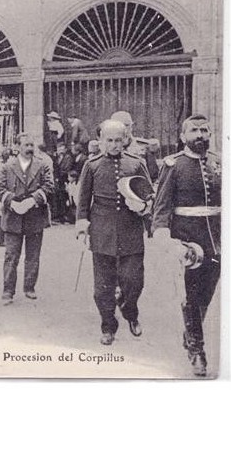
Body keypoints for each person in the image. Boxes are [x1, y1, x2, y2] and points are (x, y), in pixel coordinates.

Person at [151, 114, 221, 377]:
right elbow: (161, 207)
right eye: (194, 130)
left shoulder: (219, 162)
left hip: (217, 241)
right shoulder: (174, 164)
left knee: (206, 295)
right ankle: (197, 351)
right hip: (187, 242)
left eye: (204, 130)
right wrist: (164, 236)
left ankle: (190, 334)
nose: (200, 135)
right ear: (183, 137)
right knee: (191, 296)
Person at [76, 120, 153, 345]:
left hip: (131, 229)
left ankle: (130, 312)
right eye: (109, 140)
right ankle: (108, 326)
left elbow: (149, 196)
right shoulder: (92, 165)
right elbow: (83, 199)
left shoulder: (136, 164)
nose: (114, 145)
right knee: (103, 287)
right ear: (101, 141)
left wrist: (145, 210)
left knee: (133, 281)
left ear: (125, 140)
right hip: (102, 231)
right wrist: (82, 223)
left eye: (118, 140)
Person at [0, 133, 54, 304]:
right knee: (11, 256)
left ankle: (29, 287)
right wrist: (12, 203)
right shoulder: (7, 167)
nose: (29, 148)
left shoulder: (42, 166)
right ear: (17, 147)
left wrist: (33, 200)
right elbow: (0, 189)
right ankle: (8, 290)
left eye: (31, 145)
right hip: (13, 217)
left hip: (35, 216)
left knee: (33, 255)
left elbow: (49, 186)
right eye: (26, 145)